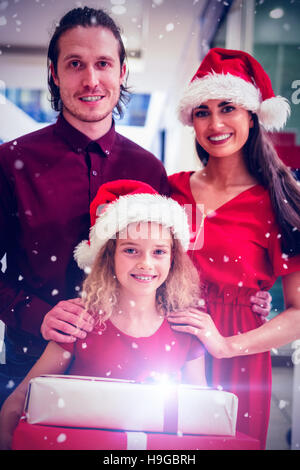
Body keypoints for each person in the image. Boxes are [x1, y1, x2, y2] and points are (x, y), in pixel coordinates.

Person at [0, 7, 170, 405]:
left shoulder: (149, 169)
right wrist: (35, 314)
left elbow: (163, 264)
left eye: (103, 64)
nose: (91, 80)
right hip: (30, 358)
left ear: (122, 72)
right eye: (75, 64)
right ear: (55, 73)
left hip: (128, 364)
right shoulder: (9, 163)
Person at [0, 179, 207, 450]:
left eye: (159, 252)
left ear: (173, 259)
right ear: (109, 256)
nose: (146, 263)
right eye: (130, 250)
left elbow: (203, 418)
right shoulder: (80, 322)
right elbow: (18, 401)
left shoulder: (185, 329)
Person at [167, 47, 300, 449]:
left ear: (252, 115)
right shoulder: (169, 189)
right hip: (167, 348)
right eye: (202, 111)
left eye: (228, 107)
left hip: (237, 361)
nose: (215, 122)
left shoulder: (279, 201)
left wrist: (227, 346)